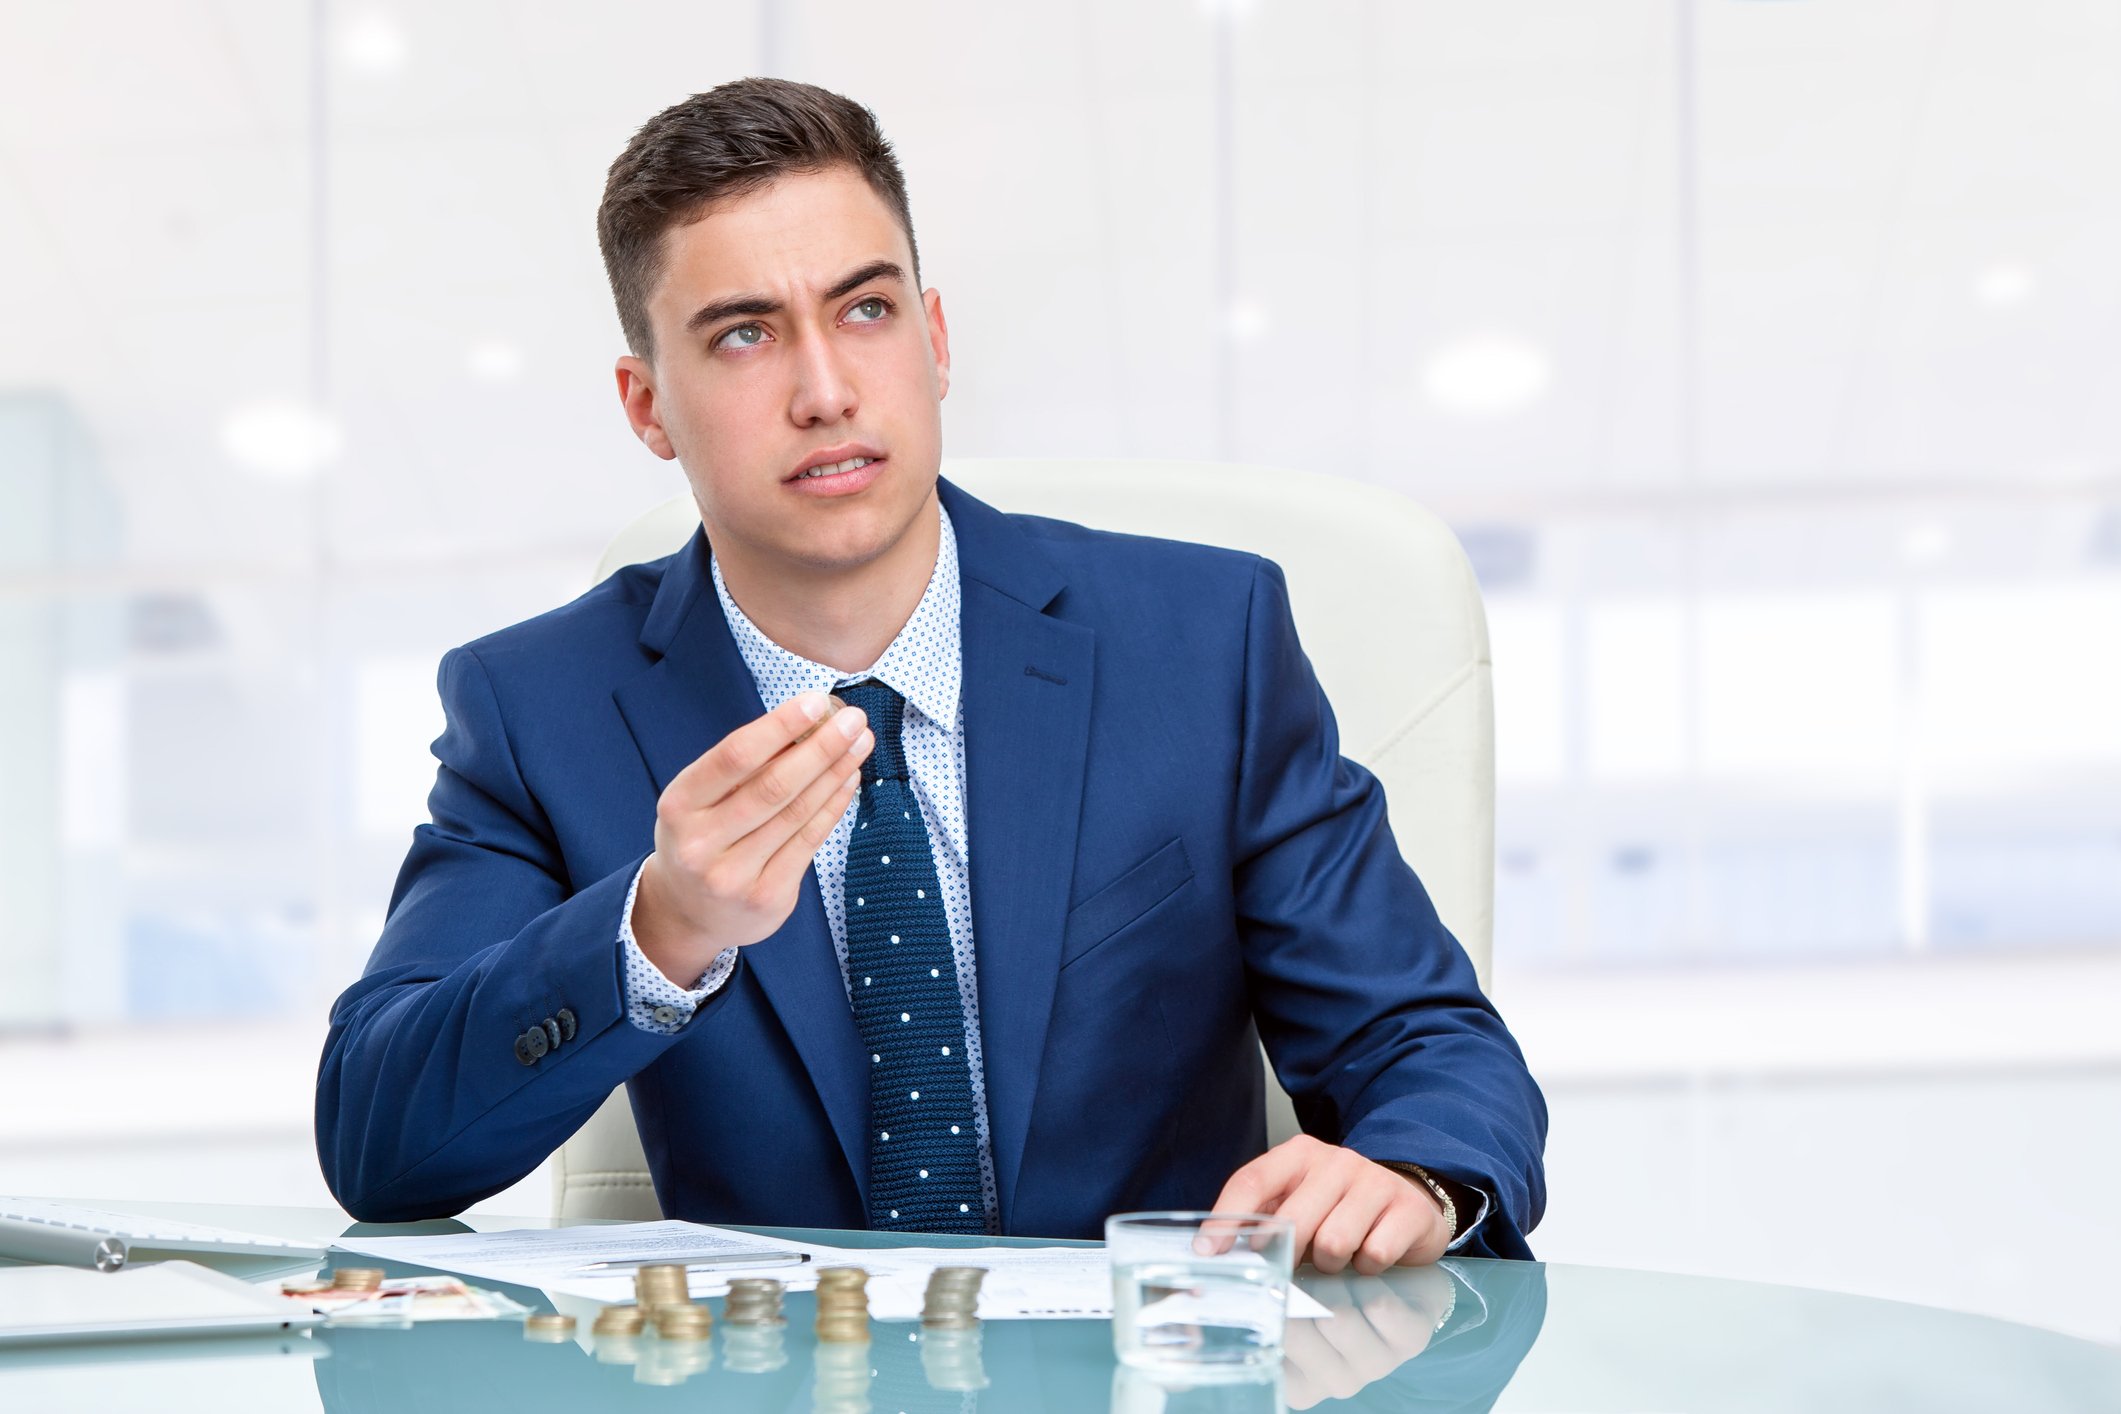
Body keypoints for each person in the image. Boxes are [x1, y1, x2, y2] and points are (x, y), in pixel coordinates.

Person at [315, 78, 1547, 1271]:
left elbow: (1428, 1044)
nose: (827, 390)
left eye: (866, 310)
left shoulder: (1203, 639)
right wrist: (660, 927)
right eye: (744, 335)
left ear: (936, 336)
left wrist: (1415, 1172)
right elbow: (379, 1139)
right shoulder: (540, 709)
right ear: (649, 406)